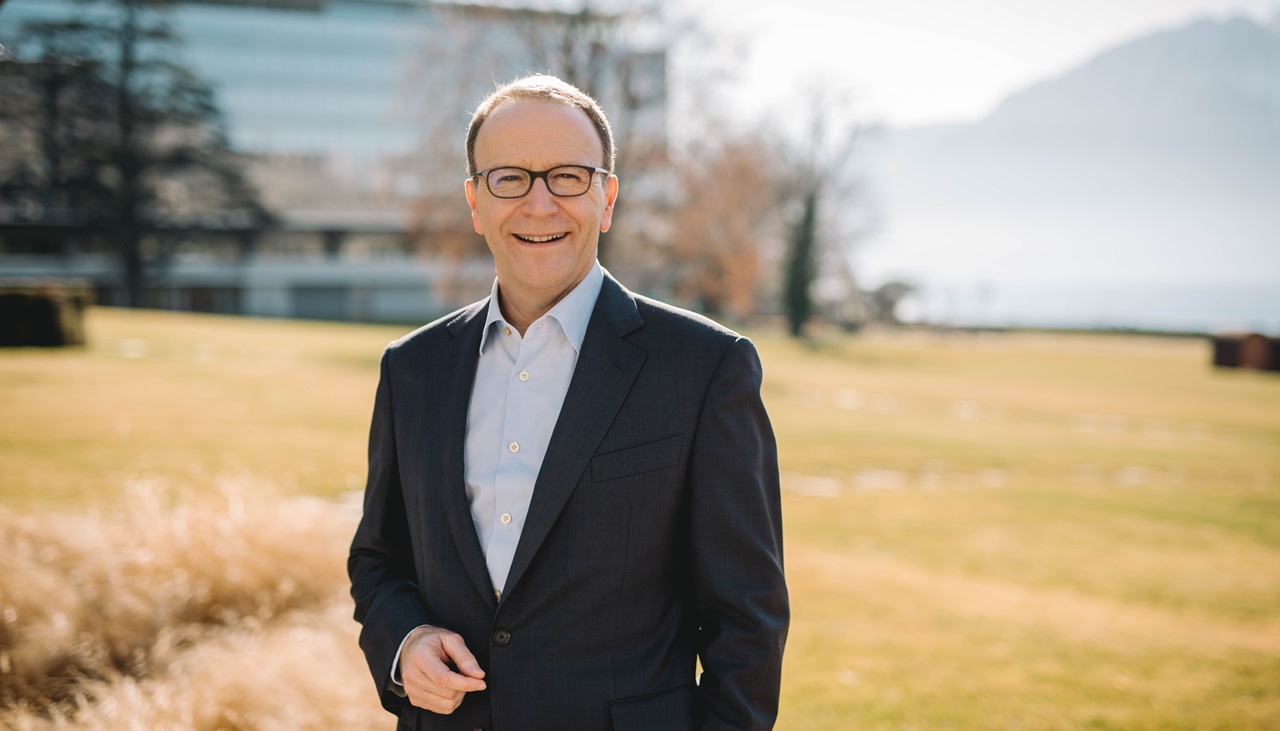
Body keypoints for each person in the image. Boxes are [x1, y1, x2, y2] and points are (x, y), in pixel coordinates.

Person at [348, 74, 788, 731]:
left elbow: (747, 616)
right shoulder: (411, 368)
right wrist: (404, 641)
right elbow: (380, 560)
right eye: (510, 178)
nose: (539, 204)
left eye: (569, 177)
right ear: (475, 202)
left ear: (606, 199)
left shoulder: (705, 369)